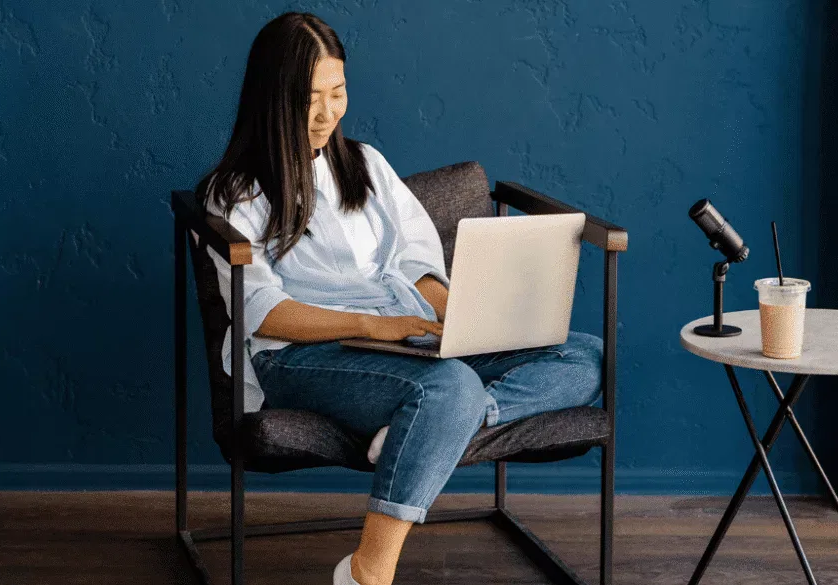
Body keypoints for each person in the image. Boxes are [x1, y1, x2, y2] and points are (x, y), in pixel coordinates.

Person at [194, 12, 604, 585]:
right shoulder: (235, 192)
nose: (326, 113)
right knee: (451, 385)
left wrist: (458, 314)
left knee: (585, 355)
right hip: (299, 353)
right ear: (270, 97)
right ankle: (368, 570)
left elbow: (417, 261)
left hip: (402, 337)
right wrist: (376, 326)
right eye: (308, 98)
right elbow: (264, 311)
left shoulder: (364, 164)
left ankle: (438, 422)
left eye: (337, 93)